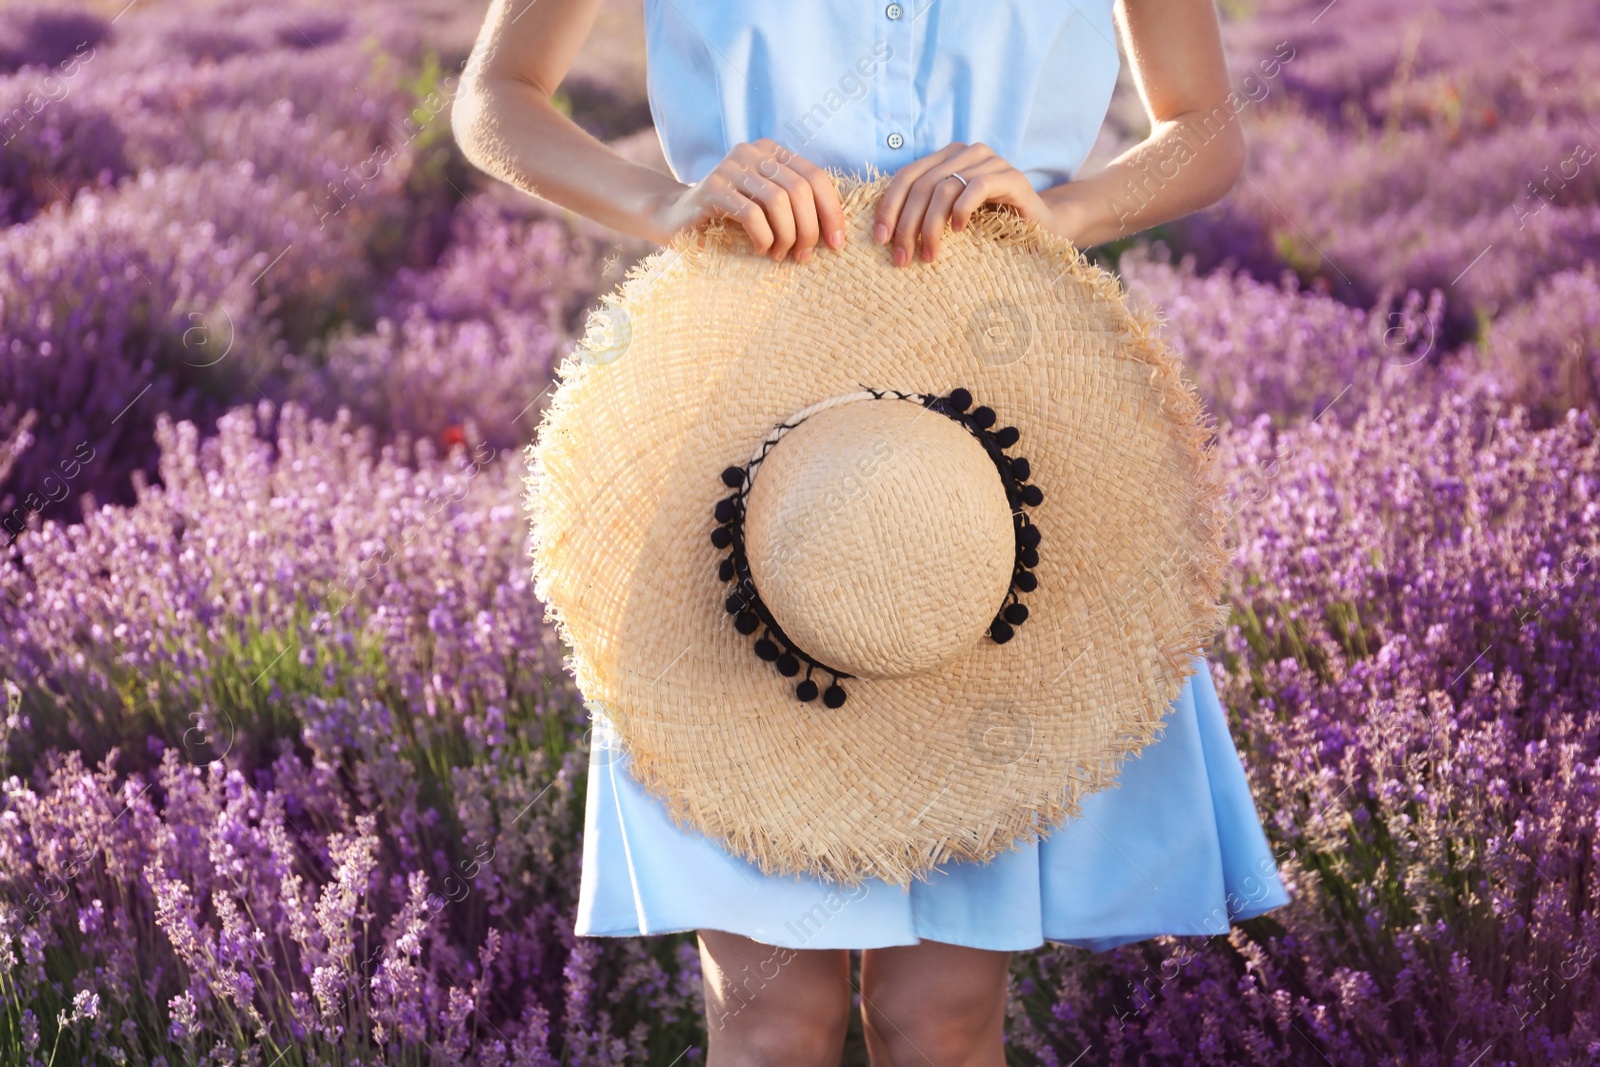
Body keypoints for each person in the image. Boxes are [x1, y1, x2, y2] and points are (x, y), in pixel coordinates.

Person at [453, 2, 1289, 1063]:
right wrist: (665, 203)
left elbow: (1204, 127)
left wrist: (1062, 211)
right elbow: (495, 97)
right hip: (743, 448)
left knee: (941, 1017)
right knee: (768, 1022)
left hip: (998, 460)